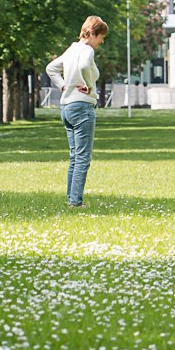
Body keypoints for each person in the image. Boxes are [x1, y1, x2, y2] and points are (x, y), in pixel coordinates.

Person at [46, 16, 108, 209]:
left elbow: (51, 68)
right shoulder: (87, 50)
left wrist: (63, 85)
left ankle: (71, 198)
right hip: (82, 107)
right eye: (101, 37)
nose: (102, 42)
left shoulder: (72, 49)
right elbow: (83, 67)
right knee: (82, 157)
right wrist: (89, 86)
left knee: (74, 156)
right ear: (93, 34)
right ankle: (75, 202)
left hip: (66, 107)